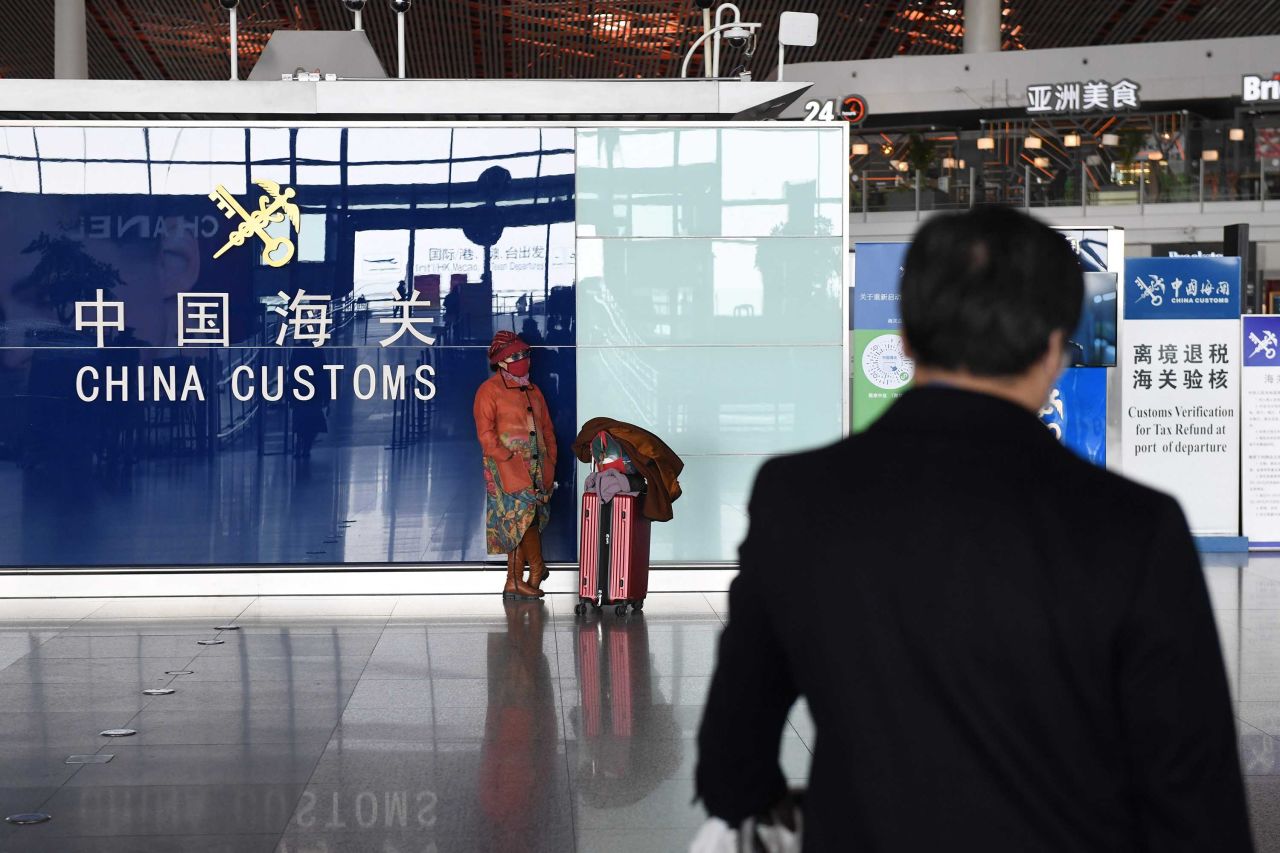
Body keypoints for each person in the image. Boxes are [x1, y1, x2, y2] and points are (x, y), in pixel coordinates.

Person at [695, 206, 1252, 851]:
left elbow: (731, 760)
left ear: (904, 338)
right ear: (1054, 347)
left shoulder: (799, 498)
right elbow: (1195, 795)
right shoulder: (1132, 525)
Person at [474, 330, 557, 600]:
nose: (523, 360)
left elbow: (547, 429)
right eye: (515, 356)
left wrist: (551, 457)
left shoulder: (534, 390)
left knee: (527, 520)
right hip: (507, 470)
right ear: (500, 361)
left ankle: (514, 580)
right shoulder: (489, 391)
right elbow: (486, 436)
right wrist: (507, 457)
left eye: (525, 354)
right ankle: (534, 569)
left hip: (537, 467)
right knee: (518, 520)